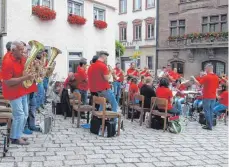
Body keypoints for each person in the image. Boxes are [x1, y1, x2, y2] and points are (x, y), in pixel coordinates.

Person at [2, 41, 35, 145]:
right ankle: (15, 138)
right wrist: (25, 78)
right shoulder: (7, 62)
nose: (23, 52)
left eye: (23, 49)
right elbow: (7, 82)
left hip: (22, 90)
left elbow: (27, 69)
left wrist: (36, 67)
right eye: (21, 50)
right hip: (13, 91)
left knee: (25, 114)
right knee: (19, 115)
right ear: (13, 50)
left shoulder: (20, 58)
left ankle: (18, 134)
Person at [191, 64, 219, 130]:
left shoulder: (206, 76)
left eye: (205, 69)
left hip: (207, 96)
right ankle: (210, 124)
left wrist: (193, 78)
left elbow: (199, 84)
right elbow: (217, 88)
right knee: (211, 111)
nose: (205, 70)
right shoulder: (216, 77)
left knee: (206, 111)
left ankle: (209, 126)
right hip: (213, 96)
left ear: (208, 68)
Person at [90, 51, 118, 115]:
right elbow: (107, 78)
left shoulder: (93, 66)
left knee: (102, 104)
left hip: (97, 89)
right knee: (114, 104)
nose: (106, 59)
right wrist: (110, 72)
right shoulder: (103, 65)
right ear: (103, 56)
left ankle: (99, 119)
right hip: (104, 89)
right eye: (106, 57)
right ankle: (113, 122)